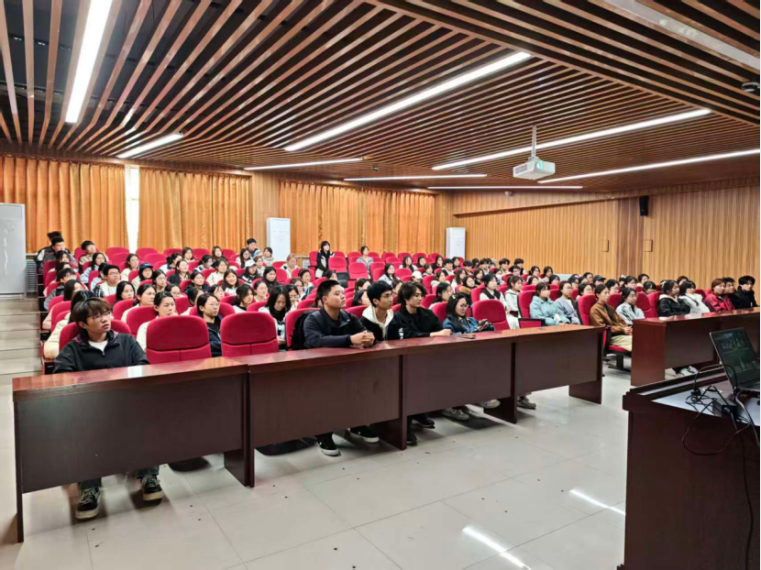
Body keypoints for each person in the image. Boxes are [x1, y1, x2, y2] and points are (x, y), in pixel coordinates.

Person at [54, 297, 162, 520]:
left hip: (125, 403)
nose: (105, 319)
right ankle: (89, 488)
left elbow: (143, 366)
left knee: (148, 418)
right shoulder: (73, 349)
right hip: (90, 408)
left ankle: (148, 475)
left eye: (106, 313)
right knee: (83, 430)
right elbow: (61, 378)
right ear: (83, 324)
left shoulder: (126, 341)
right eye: (96, 317)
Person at [303, 280, 379, 455]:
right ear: (325, 299)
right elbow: (315, 341)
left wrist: (369, 339)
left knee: (364, 384)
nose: (343, 296)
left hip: (347, 367)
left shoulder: (349, 317)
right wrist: (350, 339)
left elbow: (365, 332)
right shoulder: (312, 319)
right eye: (337, 294)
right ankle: (323, 432)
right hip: (319, 370)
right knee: (328, 391)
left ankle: (356, 424)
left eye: (343, 293)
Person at [387, 283, 451, 440]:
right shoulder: (397, 316)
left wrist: (441, 333)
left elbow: (440, 330)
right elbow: (406, 336)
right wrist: (433, 334)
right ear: (406, 298)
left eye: (421, 295)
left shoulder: (426, 313)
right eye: (416, 295)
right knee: (410, 383)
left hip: (427, 356)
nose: (419, 298)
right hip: (405, 359)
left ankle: (418, 412)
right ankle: (406, 422)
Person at [440, 294, 498, 421]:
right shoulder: (448, 322)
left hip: (476, 352)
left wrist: (487, 326)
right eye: (461, 306)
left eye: (466, 306)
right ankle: (479, 397)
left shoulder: (471, 320)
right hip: (459, 355)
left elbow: (486, 333)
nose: (464, 308)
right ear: (453, 306)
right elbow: (454, 338)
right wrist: (475, 331)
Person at [589, 285, 633, 352]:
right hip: (609, 336)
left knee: (641, 338)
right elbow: (603, 327)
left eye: (608, 293)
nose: (608, 295)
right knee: (636, 341)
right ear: (598, 295)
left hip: (619, 333)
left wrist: (626, 328)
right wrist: (622, 329)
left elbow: (620, 320)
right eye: (605, 293)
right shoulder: (594, 310)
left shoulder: (610, 308)